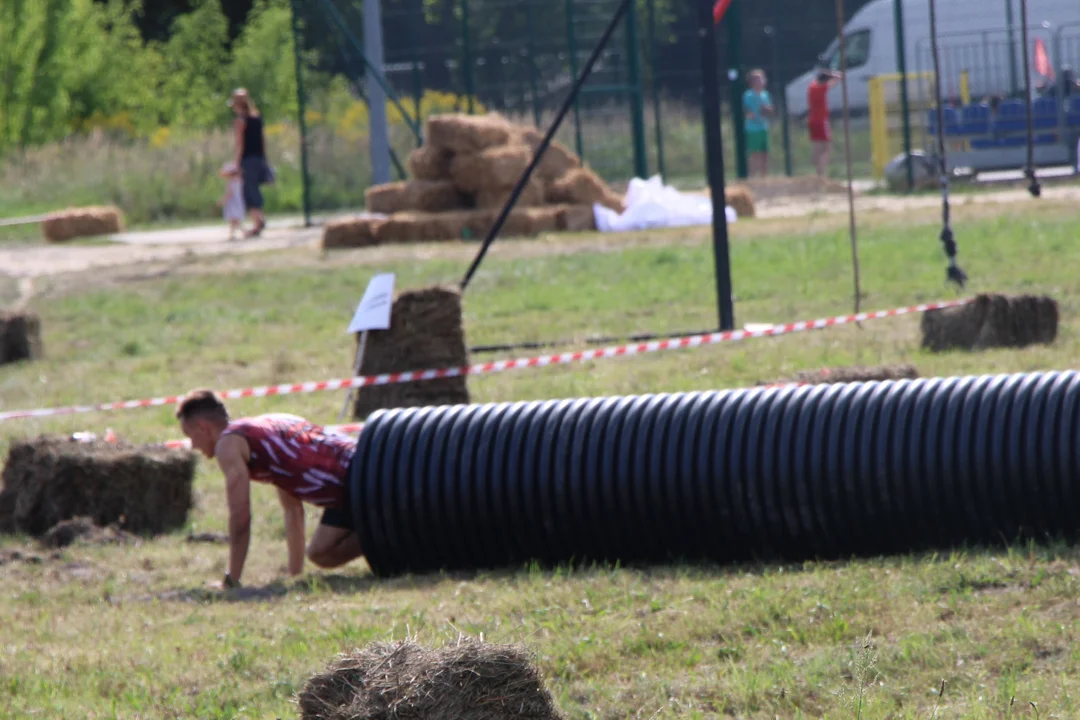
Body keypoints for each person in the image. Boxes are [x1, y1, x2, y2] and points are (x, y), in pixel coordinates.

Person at [176, 389, 364, 589]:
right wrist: (295, 576)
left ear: (203, 427)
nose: (193, 446)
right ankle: (389, 536)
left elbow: (240, 517)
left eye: (189, 435)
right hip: (363, 462)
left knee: (321, 554)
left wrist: (232, 580)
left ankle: (389, 539)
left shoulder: (228, 445)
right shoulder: (266, 431)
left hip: (355, 481)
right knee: (318, 551)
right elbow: (293, 511)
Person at [227, 88, 270, 238]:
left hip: (248, 160)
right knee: (255, 189)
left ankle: (258, 222)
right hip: (259, 158)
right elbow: (263, 141)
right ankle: (259, 220)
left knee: (249, 192)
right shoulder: (257, 118)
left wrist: (236, 164)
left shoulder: (240, 121)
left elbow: (240, 144)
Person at [806, 69, 843, 179]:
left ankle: (818, 172)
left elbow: (818, 79)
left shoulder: (811, 87)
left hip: (812, 119)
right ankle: (821, 173)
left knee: (817, 147)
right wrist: (833, 74)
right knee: (827, 148)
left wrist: (826, 74)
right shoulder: (822, 88)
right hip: (821, 120)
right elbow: (838, 79)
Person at [742, 69, 775, 178]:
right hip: (753, 128)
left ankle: (764, 177)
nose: (762, 81)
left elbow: (770, 109)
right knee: (754, 154)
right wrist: (750, 113)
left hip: (763, 127)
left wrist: (767, 109)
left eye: (762, 78)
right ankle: (753, 177)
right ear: (752, 82)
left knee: (765, 153)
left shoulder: (765, 95)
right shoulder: (748, 95)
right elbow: (746, 110)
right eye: (758, 79)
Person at [218, 161, 245, 241]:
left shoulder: (231, 183)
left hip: (233, 204)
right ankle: (235, 233)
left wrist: (222, 200)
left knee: (234, 219)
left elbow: (230, 194)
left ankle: (240, 232)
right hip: (238, 203)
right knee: (235, 220)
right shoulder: (239, 182)